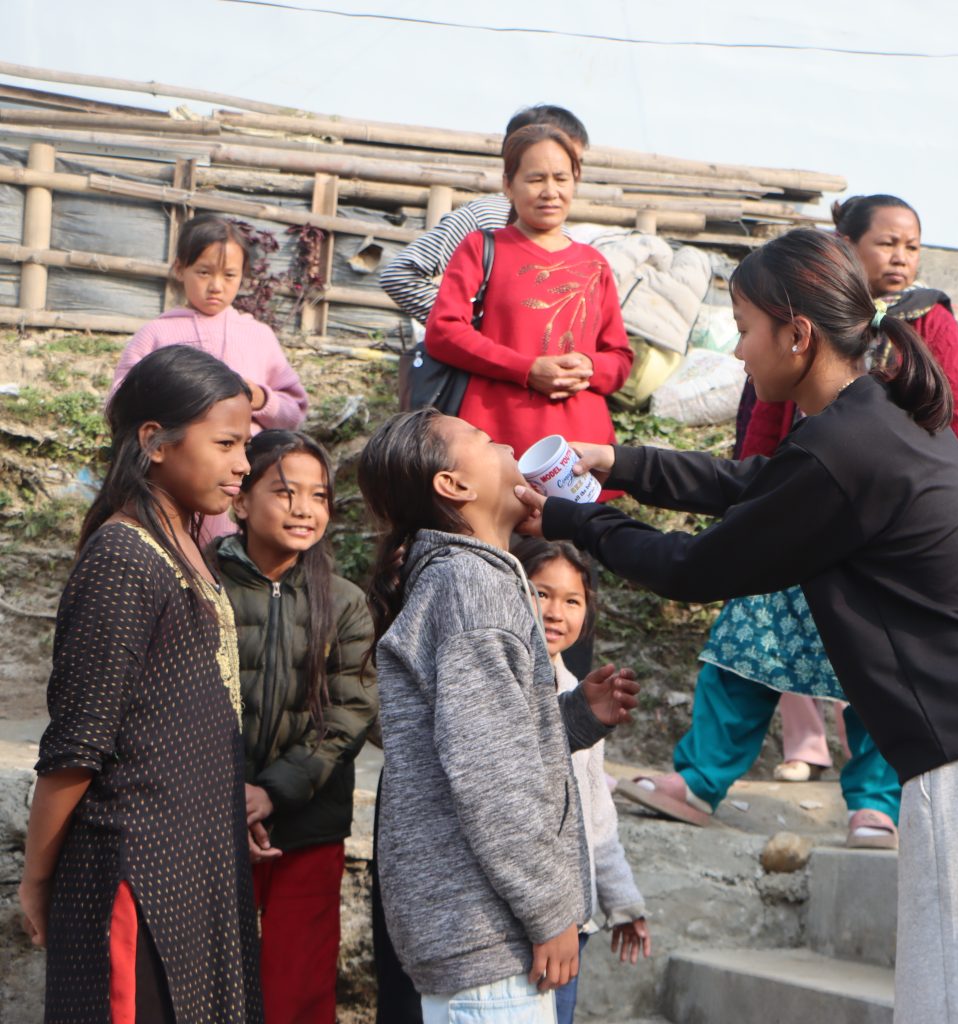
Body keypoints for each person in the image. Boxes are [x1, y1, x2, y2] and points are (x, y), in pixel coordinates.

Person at [518, 228, 958, 1023]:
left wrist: (572, 518)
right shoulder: (883, 417)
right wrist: (617, 463)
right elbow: (754, 482)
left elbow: (694, 570)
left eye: (746, 329)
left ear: (797, 335)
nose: (738, 350)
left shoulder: (843, 447)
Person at [357, 407, 640, 1024]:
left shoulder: (465, 578)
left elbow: (490, 740)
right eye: (487, 441)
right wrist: (549, 913)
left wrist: (575, 717)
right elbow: (492, 775)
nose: (510, 446)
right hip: (492, 935)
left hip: (479, 928)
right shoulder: (472, 585)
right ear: (453, 485)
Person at [21, 345, 262, 1021]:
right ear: (155, 441)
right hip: (137, 870)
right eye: (225, 444)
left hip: (193, 867)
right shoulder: (124, 557)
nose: (243, 465)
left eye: (245, 445)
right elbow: (77, 745)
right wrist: (38, 876)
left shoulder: (185, 547)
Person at [764, 192, 958, 784]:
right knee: (764, 629)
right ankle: (720, 773)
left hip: (891, 514)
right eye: (886, 243)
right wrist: (753, 481)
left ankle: (873, 796)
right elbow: (766, 411)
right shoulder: (810, 315)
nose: (901, 257)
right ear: (847, 246)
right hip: (806, 497)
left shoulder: (929, 319)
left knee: (876, 644)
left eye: (912, 246)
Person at [215, 430, 378, 1024]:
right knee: (204, 985)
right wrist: (229, 796)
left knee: (298, 991)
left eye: (319, 496)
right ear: (240, 500)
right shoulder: (199, 583)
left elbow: (349, 711)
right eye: (285, 492)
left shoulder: (345, 601)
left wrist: (272, 792)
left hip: (307, 823)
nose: (305, 508)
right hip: (209, 820)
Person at [423, 123, 633, 490]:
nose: (550, 192)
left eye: (561, 179)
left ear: (575, 182)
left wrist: (590, 366)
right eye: (535, 179)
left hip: (578, 448)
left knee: (572, 528)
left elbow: (619, 358)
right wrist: (526, 368)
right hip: (498, 436)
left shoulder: (594, 264)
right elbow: (443, 331)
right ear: (508, 184)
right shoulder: (481, 247)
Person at [513, 538, 651, 1024]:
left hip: (573, 924)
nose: (556, 612)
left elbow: (596, 815)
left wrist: (622, 900)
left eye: (572, 601)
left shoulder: (579, 693)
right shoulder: (497, 686)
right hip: (516, 920)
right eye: (541, 593)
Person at [111, 213, 311, 541]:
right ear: (180, 269)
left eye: (229, 275)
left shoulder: (258, 337)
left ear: (243, 276)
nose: (216, 286)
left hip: (239, 486)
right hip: (169, 485)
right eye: (204, 272)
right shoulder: (156, 334)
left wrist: (261, 398)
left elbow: (294, 411)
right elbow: (120, 402)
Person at [379, 105, 590, 326]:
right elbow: (399, 275)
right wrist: (466, 330)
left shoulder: (563, 235)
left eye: (575, 163)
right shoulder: (486, 216)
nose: (571, 172)